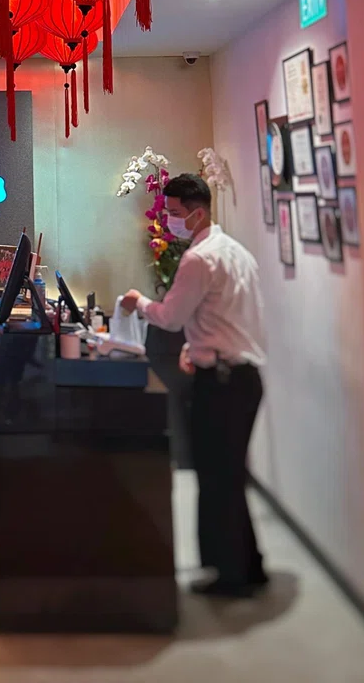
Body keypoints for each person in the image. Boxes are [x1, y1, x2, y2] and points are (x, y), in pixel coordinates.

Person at [120, 172, 268, 598]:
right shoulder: (236, 252)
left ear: (197, 212)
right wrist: (198, 347)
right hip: (242, 376)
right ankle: (247, 566)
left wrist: (138, 302)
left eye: (174, 213)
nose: (168, 222)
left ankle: (232, 577)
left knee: (217, 477)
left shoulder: (199, 259)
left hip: (220, 383)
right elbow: (232, 318)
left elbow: (170, 316)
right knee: (228, 475)